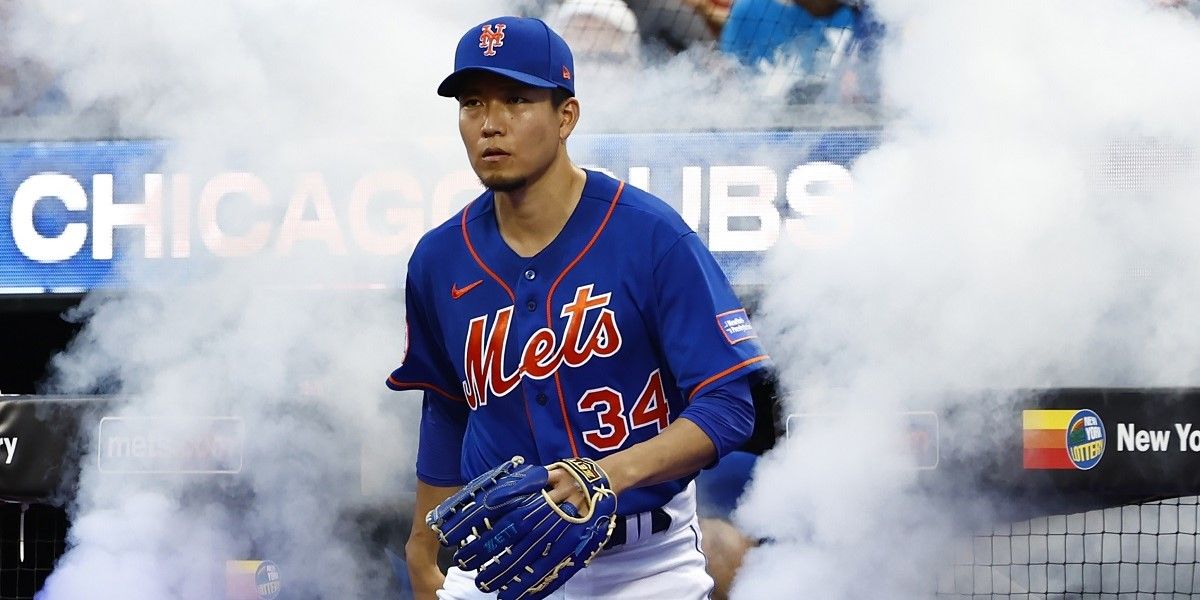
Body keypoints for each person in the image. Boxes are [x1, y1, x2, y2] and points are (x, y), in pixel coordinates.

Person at [389, 15, 769, 599]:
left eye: (516, 100)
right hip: (498, 561)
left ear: (566, 116)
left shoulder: (650, 236)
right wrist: (421, 539)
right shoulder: (439, 258)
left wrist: (604, 474)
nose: (490, 124)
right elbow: (446, 404)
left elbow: (728, 407)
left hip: (641, 562)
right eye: (472, 104)